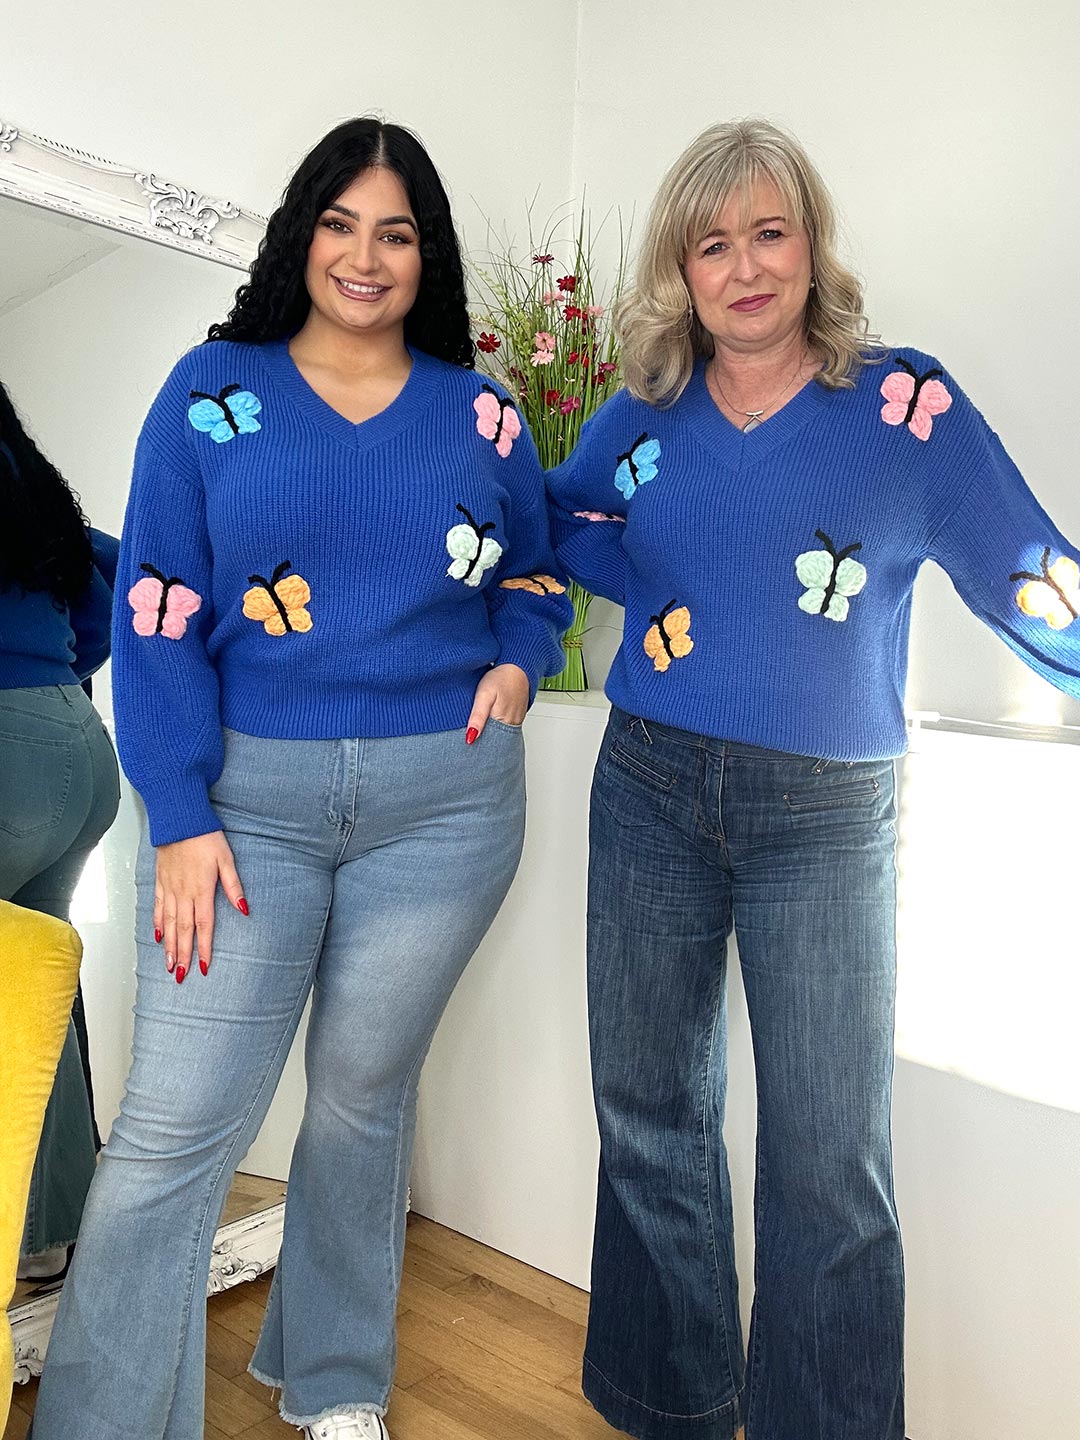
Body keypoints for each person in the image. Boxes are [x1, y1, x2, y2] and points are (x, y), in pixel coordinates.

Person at [30, 117, 571, 1440]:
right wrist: (183, 817)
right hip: (249, 809)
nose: (366, 256)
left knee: (361, 1105)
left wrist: (518, 658)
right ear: (301, 235)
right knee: (171, 1132)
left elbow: (540, 569)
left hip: (444, 812)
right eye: (340, 224)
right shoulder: (214, 390)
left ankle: (336, 1383)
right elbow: (155, 612)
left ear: (423, 253)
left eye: (395, 231)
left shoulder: (481, 410)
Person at [547, 117, 1080, 1440]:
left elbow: (1029, 565)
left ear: (812, 244)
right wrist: (650, 582)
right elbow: (561, 519)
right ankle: (672, 1407)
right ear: (684, 266)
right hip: (651, 787)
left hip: (827, 817)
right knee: (652, 1113)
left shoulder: (904, 406)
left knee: (830, 1161)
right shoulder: (653, 404)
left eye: (768, 233)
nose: (743, 268)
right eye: (712, 242)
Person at [0, 381, 120, 1282]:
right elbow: (112, 574)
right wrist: (56, 671)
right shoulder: (22, 472)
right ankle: (48, 1239)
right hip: (75, 749)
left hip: (9, 753)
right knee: (38, 994)